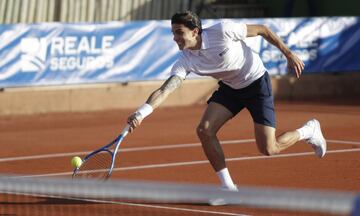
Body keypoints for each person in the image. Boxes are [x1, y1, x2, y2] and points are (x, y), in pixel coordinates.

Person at [127, 11, 326, 191]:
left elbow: (263, 30)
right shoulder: (185, 60)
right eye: (173, 33)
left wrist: (288, 54)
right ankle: (228, 188)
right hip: (231, 88)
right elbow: (165, 90)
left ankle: (308, 131)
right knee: (204, 130)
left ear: (195, 31)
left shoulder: (223, 31)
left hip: (256, 83)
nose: (175, 38)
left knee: (269, 149)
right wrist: (142, 112)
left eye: (179, 32)